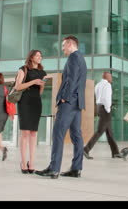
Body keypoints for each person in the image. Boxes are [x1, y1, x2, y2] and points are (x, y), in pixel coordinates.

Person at [35, 36, 87, 179]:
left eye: (63, 46)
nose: (62, 49)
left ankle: (54, 168)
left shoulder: (72, 58)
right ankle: (76, 169)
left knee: (58, 133)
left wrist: (65, 97)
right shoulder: (81, 58)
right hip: (77, 103)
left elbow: (71, 79)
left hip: (69, 102)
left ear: (70, 44)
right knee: (76, 135)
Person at [15, 50, 47, 174]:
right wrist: (34, 81)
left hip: (36, 102)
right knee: (25, 133)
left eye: (41, 56)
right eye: (37, 55)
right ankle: (23, 162)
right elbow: (18, 86)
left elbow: (40, 91)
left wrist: (42, 85)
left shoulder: (42, 72)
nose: (40, 57)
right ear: (31, 57)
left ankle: (32, 163)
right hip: (24, 102)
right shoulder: (23, 69)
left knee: (34, 133)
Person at [83, 72, 121, 160]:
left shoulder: (98, 85)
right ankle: (86, 149)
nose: (111, 78)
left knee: (109, 132)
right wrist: (108, 109)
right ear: (107, 77)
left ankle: (115, 152)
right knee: (100, 131)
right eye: (110, 76)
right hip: (105, 109)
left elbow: (97, 97)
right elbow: (106, 98)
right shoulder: (107, 85)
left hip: (99, 107)